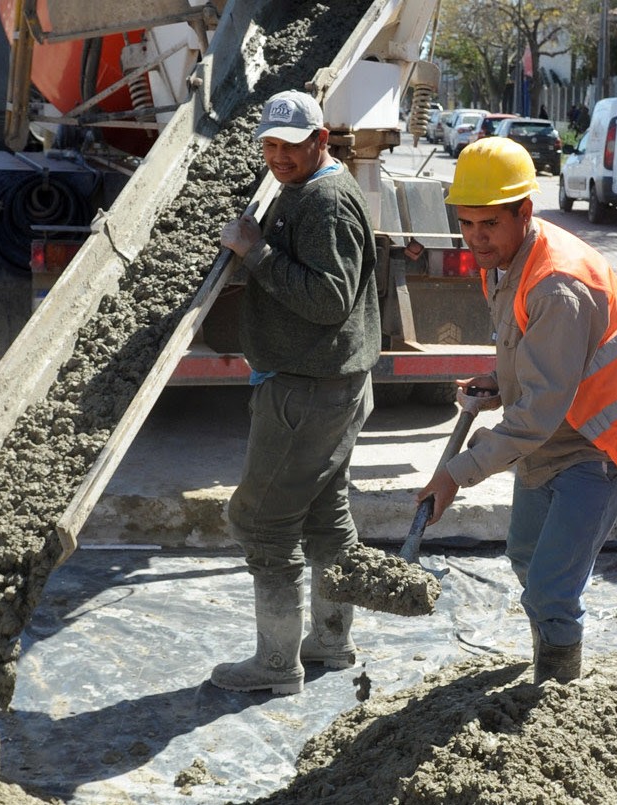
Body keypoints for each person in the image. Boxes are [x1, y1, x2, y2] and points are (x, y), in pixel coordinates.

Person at [417, 137, 617, 684]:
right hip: (549, 436)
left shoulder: (558, 284)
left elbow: (536, 417)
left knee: (552, 586)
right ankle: (547, 646)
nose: (476, 239)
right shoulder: (506, 261)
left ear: (524, 212)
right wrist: (502, 383)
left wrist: (455, 475)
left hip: (597, 445)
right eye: (468, 223)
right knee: (526, 553)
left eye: (489, 225)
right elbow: (537, 359)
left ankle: (555, 690)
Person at [212, 89, 380, 695]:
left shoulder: (325, 203)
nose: (278, 156)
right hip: (332, 384)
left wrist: (255, 252)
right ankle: (332, 644)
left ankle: (277, 667)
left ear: (321, 141)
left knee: (261, 520)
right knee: (324, 515)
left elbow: (328, 300)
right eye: (270, 145)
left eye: (291, 145)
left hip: (308, 391)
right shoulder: (307, 189)